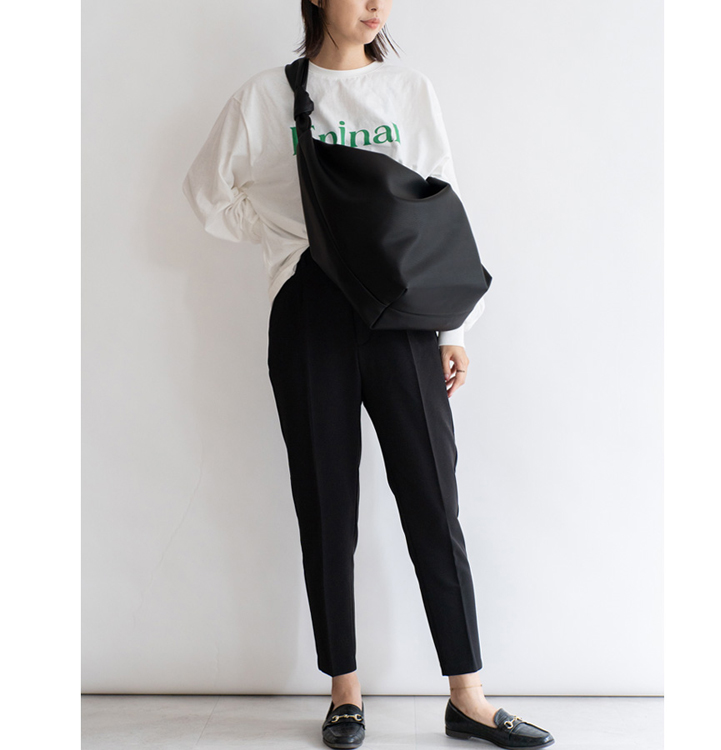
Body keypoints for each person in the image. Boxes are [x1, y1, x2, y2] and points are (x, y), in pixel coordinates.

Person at [182, 2, 555, 748]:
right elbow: (205, 193)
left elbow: (441, 206)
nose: (377, 4)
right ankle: (344, 692)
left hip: (401, 315)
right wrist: (286, 239)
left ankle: (468, 696)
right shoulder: (268, 96)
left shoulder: (406, 90)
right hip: (310, 312)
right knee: (327, 504)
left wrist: (452, 328)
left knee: (433, 500)